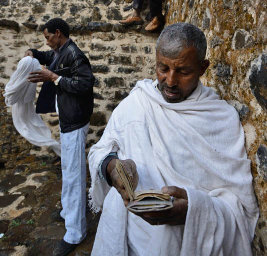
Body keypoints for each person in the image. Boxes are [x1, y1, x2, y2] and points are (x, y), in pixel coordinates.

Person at [88, 22, 258, 256]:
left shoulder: (221, 119)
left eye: (183, 71)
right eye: (163, 68)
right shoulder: (137, 103)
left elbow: (239, 206)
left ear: (202, 67)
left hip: (188, 244)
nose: (170, 81)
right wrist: (111, 167)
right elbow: (100, 149)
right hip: (131, 240)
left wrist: (193, 209)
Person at [26, 18, 95, 256]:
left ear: (58, 33)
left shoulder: (75, 54)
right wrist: (33, 53)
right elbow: (48, 58)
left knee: (74, 175)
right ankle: (68, 211)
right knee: (68, 169)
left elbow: (86, 83)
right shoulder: (60, 51)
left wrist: (54, 78)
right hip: (69, 120)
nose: (47, 42)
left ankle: (76, 232)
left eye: (48, 37)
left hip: (75, 122)